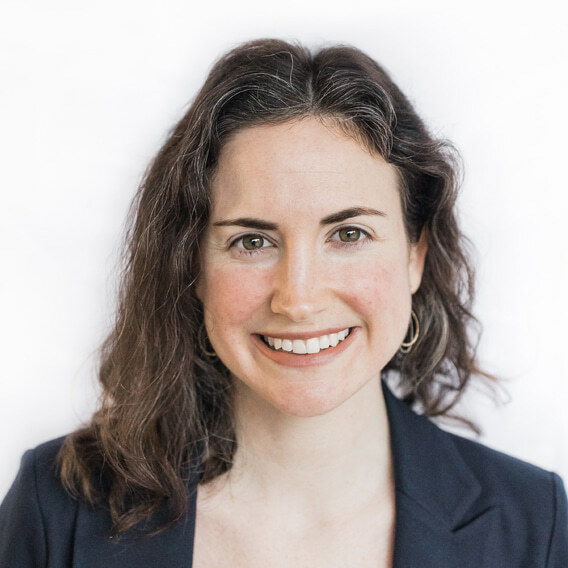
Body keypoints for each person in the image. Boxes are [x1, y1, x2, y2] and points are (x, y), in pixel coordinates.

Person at [1, 38, 566, 567]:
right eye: (252, 242)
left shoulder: (534, 525)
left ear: (415, 254)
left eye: (348, 235)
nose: (298, 299)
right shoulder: (58, 509)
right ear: (192, 266)